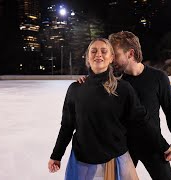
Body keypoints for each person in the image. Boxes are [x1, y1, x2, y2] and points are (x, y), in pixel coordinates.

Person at [78, 31, 171, 180]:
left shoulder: (159, 78)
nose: (111, 58)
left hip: (152, 144)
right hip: (124, 148)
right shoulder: (115, 82)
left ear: (130, 54)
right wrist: (87, 82)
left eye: (115, 54)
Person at [48, 38, 150, 180]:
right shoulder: (75, 89)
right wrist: (56, 155)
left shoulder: (123, 88)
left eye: (104, 51)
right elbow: (67, 126)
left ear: (111, 57)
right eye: (93, 51)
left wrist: (161, 147)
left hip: (116, 159)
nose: (98, 55)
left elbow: (140, 122)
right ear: (88, 57)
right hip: (83, 161)